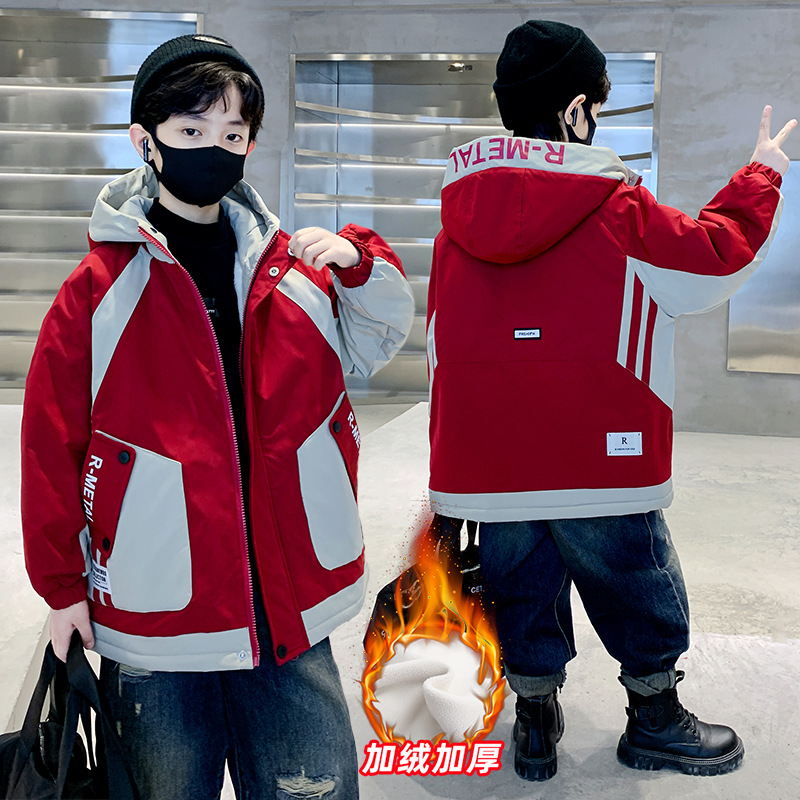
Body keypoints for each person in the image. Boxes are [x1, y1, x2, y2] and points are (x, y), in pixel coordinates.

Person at [21, 33, 415, 799]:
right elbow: (49, 445)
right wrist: (62, 587)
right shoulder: (98, 290)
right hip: (159, 614)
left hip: (286, 603)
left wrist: (360, 266)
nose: (215, 148)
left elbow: (373, 342)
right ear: (146, 140)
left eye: (233, 134)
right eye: (192, 129)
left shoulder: (293, 271)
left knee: (314, 786)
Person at [426, 19, 794, 781]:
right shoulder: (618, 209)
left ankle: (534, 722)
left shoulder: (456, 223)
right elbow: (712, 258)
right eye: (595, 103)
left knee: (518, 584)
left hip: (492, 461)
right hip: (602, 454)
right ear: (572, 111)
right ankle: (654, 719)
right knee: (635, 580)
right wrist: (762, 174)